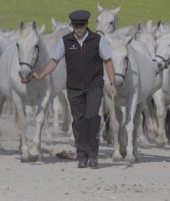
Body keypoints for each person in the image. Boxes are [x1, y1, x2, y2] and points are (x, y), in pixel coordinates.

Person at [32, 9, 116, 169]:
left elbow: (108, 62)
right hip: (74, 87)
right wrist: (41, 75)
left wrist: (112, 84)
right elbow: (54, 61)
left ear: (87, 25)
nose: (79, 29)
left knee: (92, 118)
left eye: (82, 26)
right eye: (76, 26)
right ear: (72, 25)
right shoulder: (65, 41)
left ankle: (93, 155)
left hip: (94, 86)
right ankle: (82, 156)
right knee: (78, 121)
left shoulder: (98, 40)